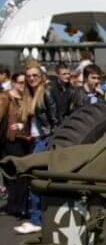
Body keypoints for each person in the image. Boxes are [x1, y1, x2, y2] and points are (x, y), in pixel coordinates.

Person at [14, 61, 61, 234]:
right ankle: (38, 219)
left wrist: (51, 143)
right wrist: (21, 127)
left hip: (44, 140)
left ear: (41, 77)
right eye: (28, 76)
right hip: (34, 140)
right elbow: (34, 121)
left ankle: (36, 221)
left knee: (35, 180)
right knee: (34, 179)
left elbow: (56, 121)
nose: (31, 78)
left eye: (35, 75)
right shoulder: (29, 96)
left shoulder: (46, 93)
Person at [3, 72, 32, 221]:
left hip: (26, 140)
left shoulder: (27, 98)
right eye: (20, 82)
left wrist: (23, 124)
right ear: (13, 82)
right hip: (11, 140)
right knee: (17, 174)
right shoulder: (5, 98)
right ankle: (17, 207)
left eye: (24, 83)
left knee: (21, 174)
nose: (23, 85)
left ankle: (16, 206)